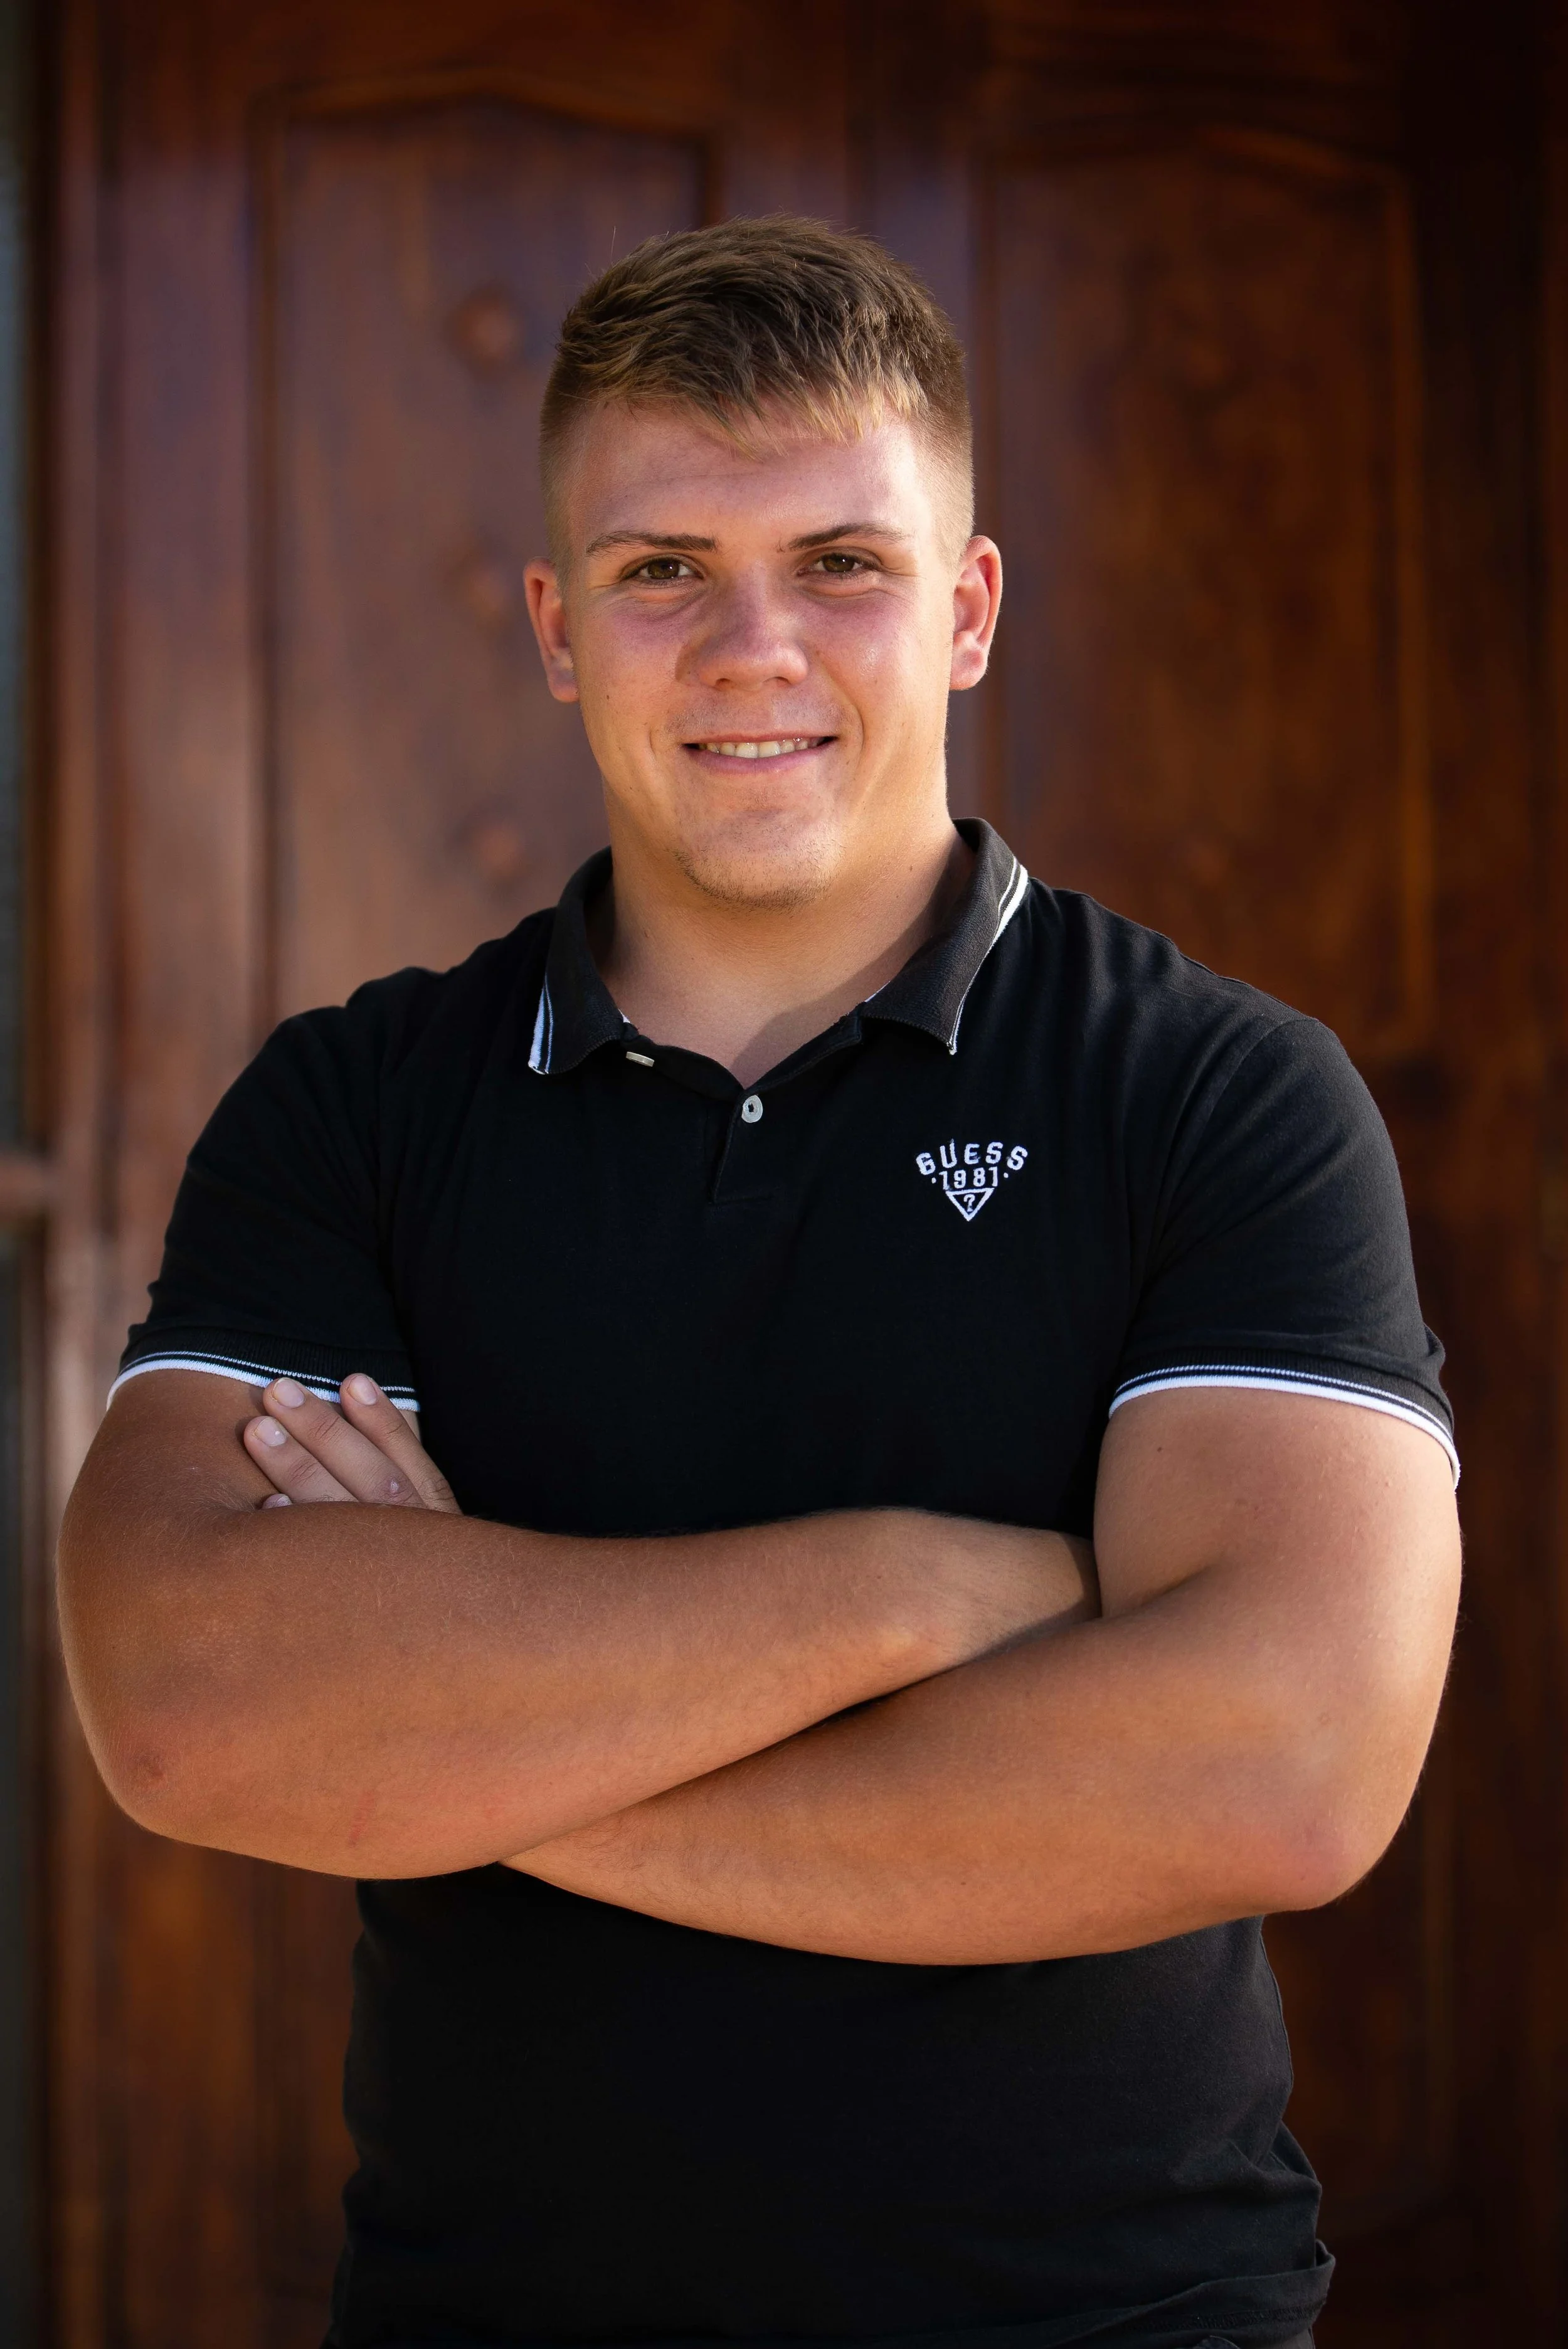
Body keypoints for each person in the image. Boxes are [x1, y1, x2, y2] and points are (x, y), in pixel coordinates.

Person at [58, 217, 1461, 2349]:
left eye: (842, 561)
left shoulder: (1213, 1094)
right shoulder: (355, 1104)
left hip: (1109, 2317)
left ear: (969, 608)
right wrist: (932, 1589)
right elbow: (183, 1699)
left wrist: (457, 1751)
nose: (751, 648)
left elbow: (1278, 1768)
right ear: (553, 626)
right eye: (658, 572)